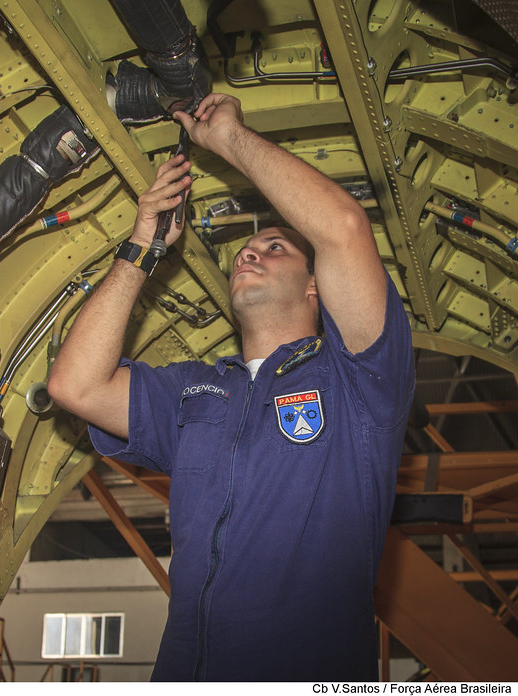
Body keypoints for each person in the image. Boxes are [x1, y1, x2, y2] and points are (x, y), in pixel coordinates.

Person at [47, 93, 415, 681]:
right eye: (248, 247)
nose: (249, 250)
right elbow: (75, 385)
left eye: (276, 247)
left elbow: (343, 228)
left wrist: (227, 140)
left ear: (317, 287)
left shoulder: (359, 382)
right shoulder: (196, 391)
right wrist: (142, 248)